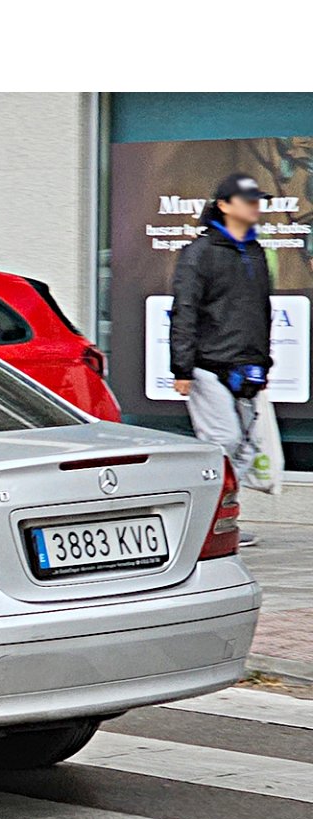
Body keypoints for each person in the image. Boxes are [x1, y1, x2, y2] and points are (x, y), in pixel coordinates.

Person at [169, 172, 274, 547]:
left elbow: (261, 310)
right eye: (247, 200)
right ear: (225, 206)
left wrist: (264, 361)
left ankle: (220, 520)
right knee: (222, 442)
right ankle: (199, 524)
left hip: (247, 366)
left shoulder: (256, 251)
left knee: (244, 449)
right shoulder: (200, 254)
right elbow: (184, 310)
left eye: (257, 200)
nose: (255, 207)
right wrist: (182, 368)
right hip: (208, 366)